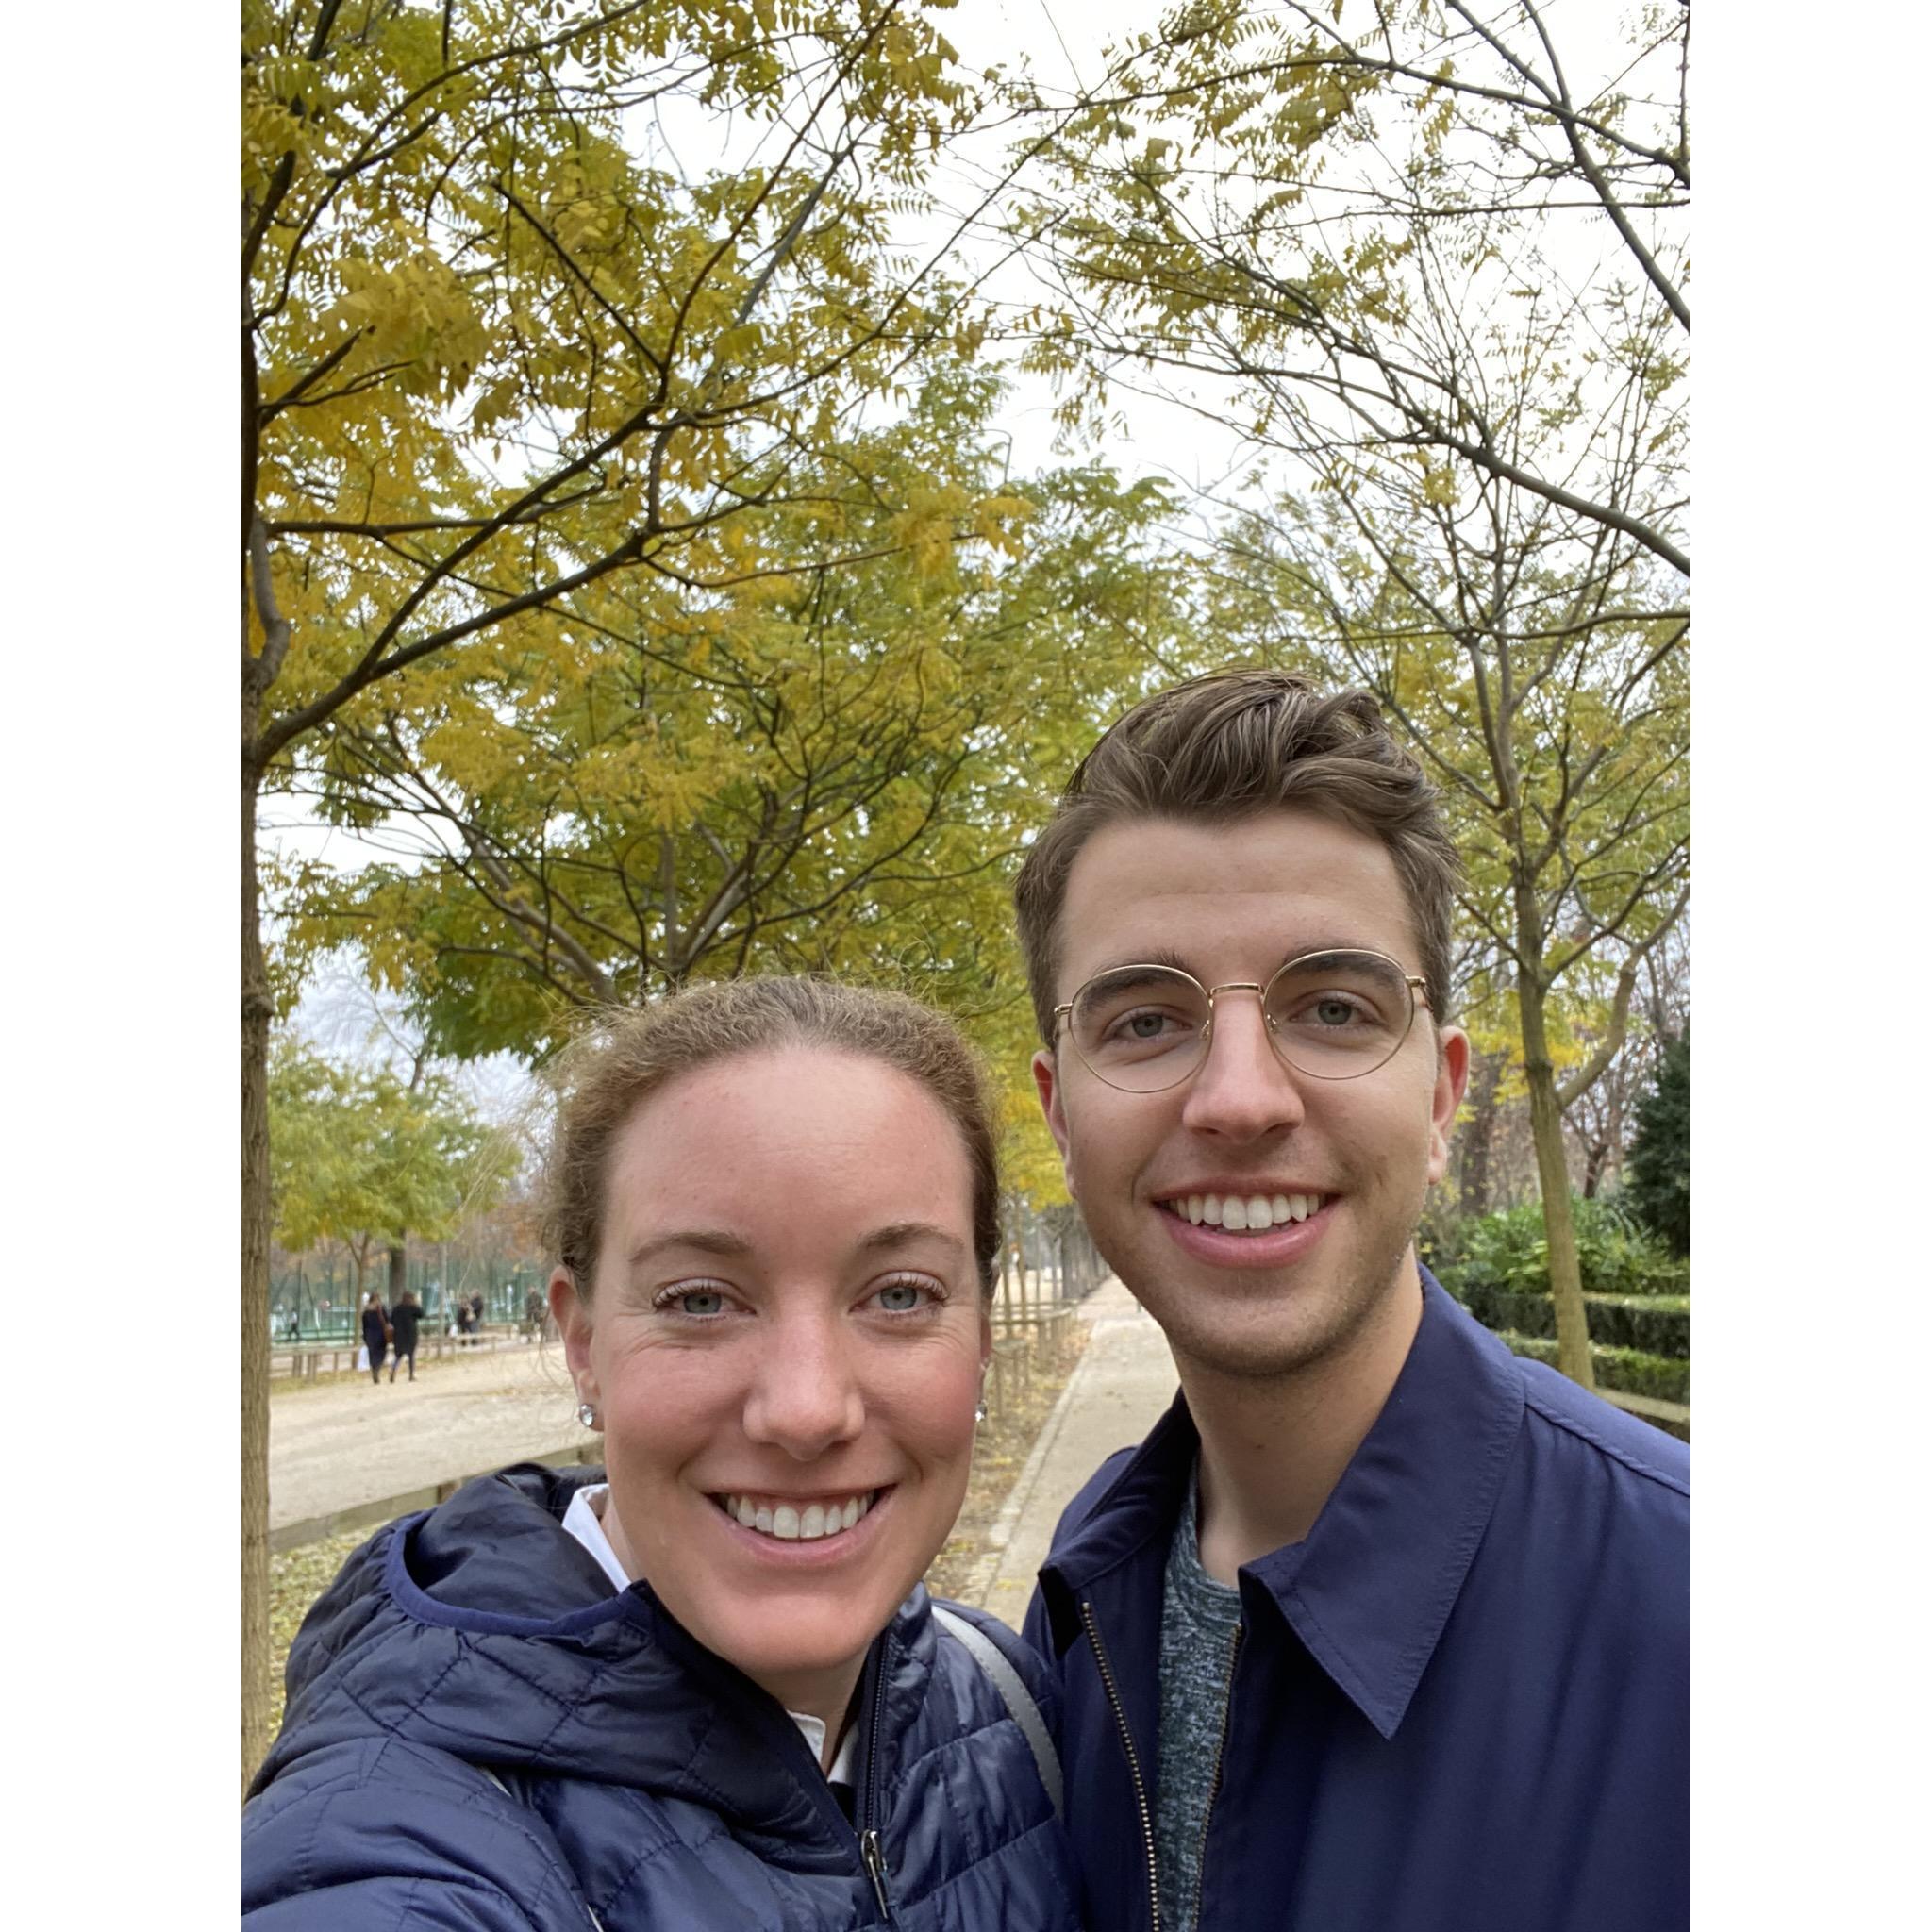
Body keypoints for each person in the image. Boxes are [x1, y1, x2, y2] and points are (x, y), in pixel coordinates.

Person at [1012, 671, 1689, 1932]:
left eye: (1333, 1009)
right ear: (1060, 1113)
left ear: (1440, 1100)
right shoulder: (1087, 1586)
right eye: (1147, 1021)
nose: (1239, 1100)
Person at [243, 978, 1080, 1931]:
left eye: (898, 1295)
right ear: (583, 1341)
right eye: (698, 1299)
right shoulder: (392, 1837)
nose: (804, 1409)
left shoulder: (1010, 1706)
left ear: (980, 1331)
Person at [389, 1287, 421, 1383]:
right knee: (411, 1355)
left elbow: (391, 1320)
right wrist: (416, 1304)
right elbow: (421, 1314)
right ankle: (411, 1374)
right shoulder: (413, 1308)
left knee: (398, 1355)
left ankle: (393, 1369)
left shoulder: (396, 1308)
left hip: (398, 1335)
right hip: (410, 1335)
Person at [359, 1291, 390, 1387]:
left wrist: (365, 1336)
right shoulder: (381, 1308)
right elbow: (388, 1320)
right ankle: (377, 1368)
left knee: (372, 1354)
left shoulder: (366, 1311)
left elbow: (364, 1325)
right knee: (382, 1353)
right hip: (381, 1335)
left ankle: (374, 1369)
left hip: (370, 1335)